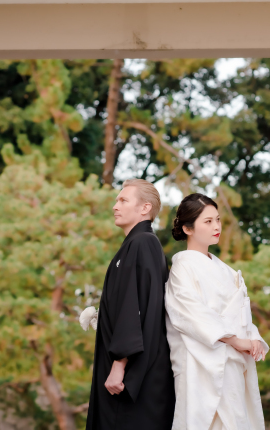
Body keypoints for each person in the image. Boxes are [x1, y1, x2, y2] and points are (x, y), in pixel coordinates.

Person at [164, 193, 268, 430]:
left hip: (233, 360)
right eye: (208, 222)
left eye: (218, 220)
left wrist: (253, 338)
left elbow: (241, 314)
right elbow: (191, 314)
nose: (217, 226)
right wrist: (234, 340)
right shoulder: (182, 267)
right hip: (201, 362)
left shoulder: (228, 271)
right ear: (188, 228)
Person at [85, 179, 175, 430]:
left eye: (123, 200)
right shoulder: (136, 245)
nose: (115, 205)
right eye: (117, 200)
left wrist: (119, 364)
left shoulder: (143, 242)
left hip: (133, 373)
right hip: (132, 367)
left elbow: (135, 307)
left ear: (145, 208)